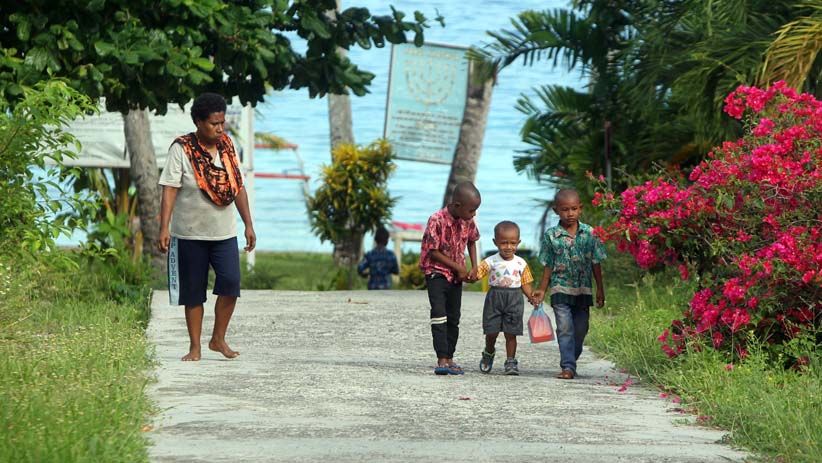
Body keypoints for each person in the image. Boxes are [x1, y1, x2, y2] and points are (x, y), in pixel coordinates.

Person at [157, 92, 256, 362]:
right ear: (199, 122)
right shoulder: (181, 149)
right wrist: (163, 228)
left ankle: (218, 338)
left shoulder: (227, 146)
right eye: (214, 124)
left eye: (222, 123)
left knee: (231, 283)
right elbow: (169, 190)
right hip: (189, 233)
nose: (220, 128)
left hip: (224, 233)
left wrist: (248, 224)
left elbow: (238, 186)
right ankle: (195, 347)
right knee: (193, 292)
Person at [531, 188, 606, 379]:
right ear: (556, 211)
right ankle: (567, 366)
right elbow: (548, 265)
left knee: (581, 329)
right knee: (564, 327)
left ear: (580, 208)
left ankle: (572, 358)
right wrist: (542, 288)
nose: (570, 213)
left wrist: (600, 290)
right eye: (565, 209)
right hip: (560, 288)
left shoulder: (590, 233)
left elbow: (596, 263)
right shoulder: (551, 235)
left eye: (573, 209)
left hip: (583, 290)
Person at [419, 182, 481, 375]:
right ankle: (441, 358)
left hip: (456, 276)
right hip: (436, 272)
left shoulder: (468, 220)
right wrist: (458, 267)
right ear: (457, 205)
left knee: (454, 317)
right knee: (439, 314)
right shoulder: (436, 220)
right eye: (471, 210)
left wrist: (474, 266)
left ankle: (451, 357)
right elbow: (433, 252)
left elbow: (472, 241)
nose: (474, 215)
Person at [476, 221, 536, 375]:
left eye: (512, 243)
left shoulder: (521, 263)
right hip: (495, 298)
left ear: (518, 243)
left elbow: (526, 283)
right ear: (495, 242)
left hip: (514, 299)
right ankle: (489, 353)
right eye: (504, 243)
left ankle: (510, 361)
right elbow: (477, 273)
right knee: (491, 332)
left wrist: (531, 296)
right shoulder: (491, 261)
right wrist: (468, 275)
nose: (508, 247)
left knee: (511, 333)